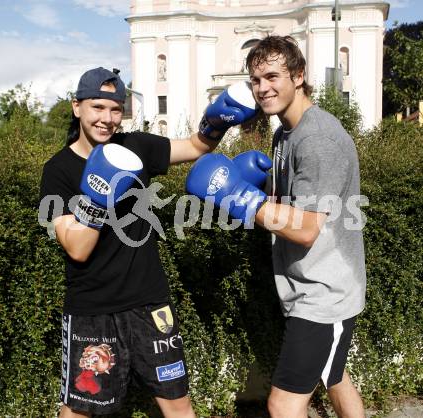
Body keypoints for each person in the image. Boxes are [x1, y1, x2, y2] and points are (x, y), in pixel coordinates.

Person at [39, 66, 258, 417]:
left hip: (150, 303)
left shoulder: (135, 146)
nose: (108, 119)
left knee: (178, 404)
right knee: (79, 409)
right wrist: (98, 198)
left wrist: (216, 122)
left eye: (115, 109)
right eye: (98, 107)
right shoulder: (59, 170)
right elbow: (77, 247)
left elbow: (195, 147)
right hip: (93, 309)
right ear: (76, 107)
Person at [186, 35, 367, 418]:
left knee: (283, 405)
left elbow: (305, 228)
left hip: (323, 293)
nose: (262, 88)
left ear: (299, 76)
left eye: (272, 76)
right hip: (309, 283)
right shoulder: (285, 132)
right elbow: (293, 204)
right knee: (334, 376)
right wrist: (258, 185)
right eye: (255, 80)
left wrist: (239, 196)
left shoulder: (317, 139)